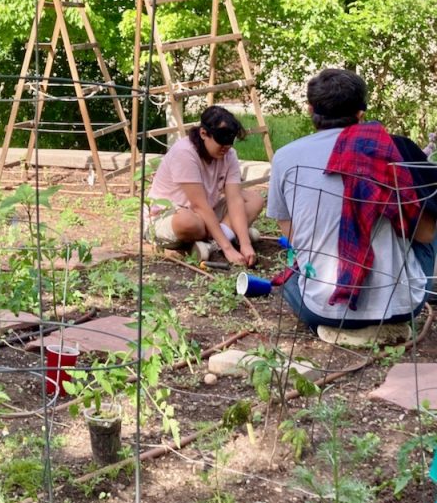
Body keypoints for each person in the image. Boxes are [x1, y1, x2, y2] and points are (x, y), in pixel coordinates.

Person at [267, 68, 436, 344]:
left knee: (289, 281)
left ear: (310, 110)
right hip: (402, 309)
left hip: (324, 310)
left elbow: (294, 237)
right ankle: (386, 316)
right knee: (430, 222)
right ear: (361, 113)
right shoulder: (395, 150)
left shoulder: (285, 157)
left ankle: (343, 327)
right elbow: (426, 234)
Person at [147, 106, 264, 266]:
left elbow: (234, 199)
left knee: (254, 200)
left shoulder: (229, 155)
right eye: (220, 141)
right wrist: (228, 249)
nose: (225, 147)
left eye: (229, 142)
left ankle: (212, 243)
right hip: (171, 215)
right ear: (204, 133)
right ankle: (226, 235)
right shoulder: (185, 153)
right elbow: (199, 205)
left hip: (207, 214)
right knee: (188, 222)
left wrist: (246, 244)